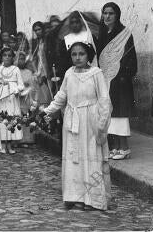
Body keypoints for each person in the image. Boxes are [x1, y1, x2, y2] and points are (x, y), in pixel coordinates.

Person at [42, 42, 112, 211]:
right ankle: (74, 196)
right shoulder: (69, 73)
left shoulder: (96, 74)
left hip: (90, 121)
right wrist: (46, 111)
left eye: (81, 54)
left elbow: (104, 99)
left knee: (90, 157)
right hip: (72, 121)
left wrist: (101, 125)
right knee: (74, 158)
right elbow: (62, 96)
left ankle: (91, 199)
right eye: (74, 54)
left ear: (88, 55)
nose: (78, 57)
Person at [96, 2, 137, 160]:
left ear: (117, 15)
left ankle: (124, 147)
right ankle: (116, 147)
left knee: (120, 113)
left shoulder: (125, 33)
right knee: (111, 113)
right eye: (105, 13)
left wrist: (121, 75)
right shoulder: (103, 33)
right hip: (106, 79)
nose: (107, 16)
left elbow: (129, 58)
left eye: (111, 13)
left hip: (120, 80)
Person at [0, 47, 24, 153]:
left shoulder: (16, 69)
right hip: (2, 96)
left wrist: (17, 89)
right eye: (5, 55)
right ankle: (3, 144)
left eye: (9, 55)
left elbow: (21, 84)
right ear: (2, 57)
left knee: (12, 118)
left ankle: (10, 145)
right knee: (3, 118)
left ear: (13, 57)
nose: (7, 57)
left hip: (12, 97)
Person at [17, 50, 36, 146]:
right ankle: (17, 139)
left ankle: (26, 139)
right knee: (17, 117)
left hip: (26, 97)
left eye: (23, 59)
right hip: (17, 97)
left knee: (26, 117)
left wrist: (27, 88)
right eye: (20, 59)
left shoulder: (29, 72)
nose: (21, 61)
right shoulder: (14, 70)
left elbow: (32, 86)